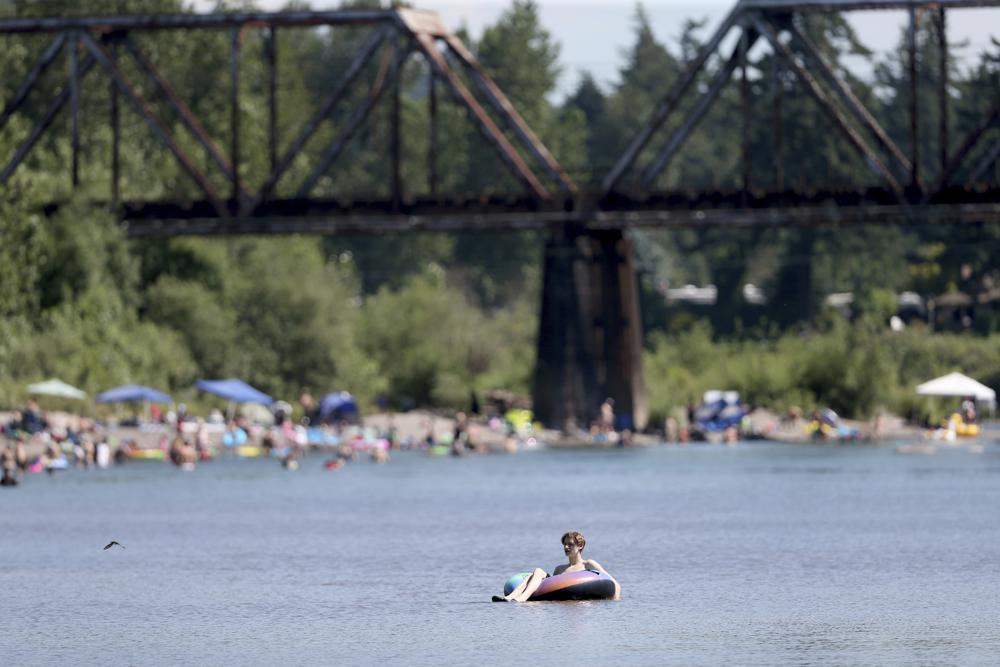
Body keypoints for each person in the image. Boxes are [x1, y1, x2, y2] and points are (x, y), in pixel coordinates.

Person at [493, 531, 620, 602]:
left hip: (579, 598)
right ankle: (511, 597)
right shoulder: (559, 569)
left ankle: (521, 599)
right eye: (564, 544)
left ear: (580, 546)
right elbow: (549, 588)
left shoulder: (588, 564)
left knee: (538, 573)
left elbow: (609, 579)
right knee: (537, 571)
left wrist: (615, 597)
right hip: (558, 599)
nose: (566, 547)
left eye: (570, 544)